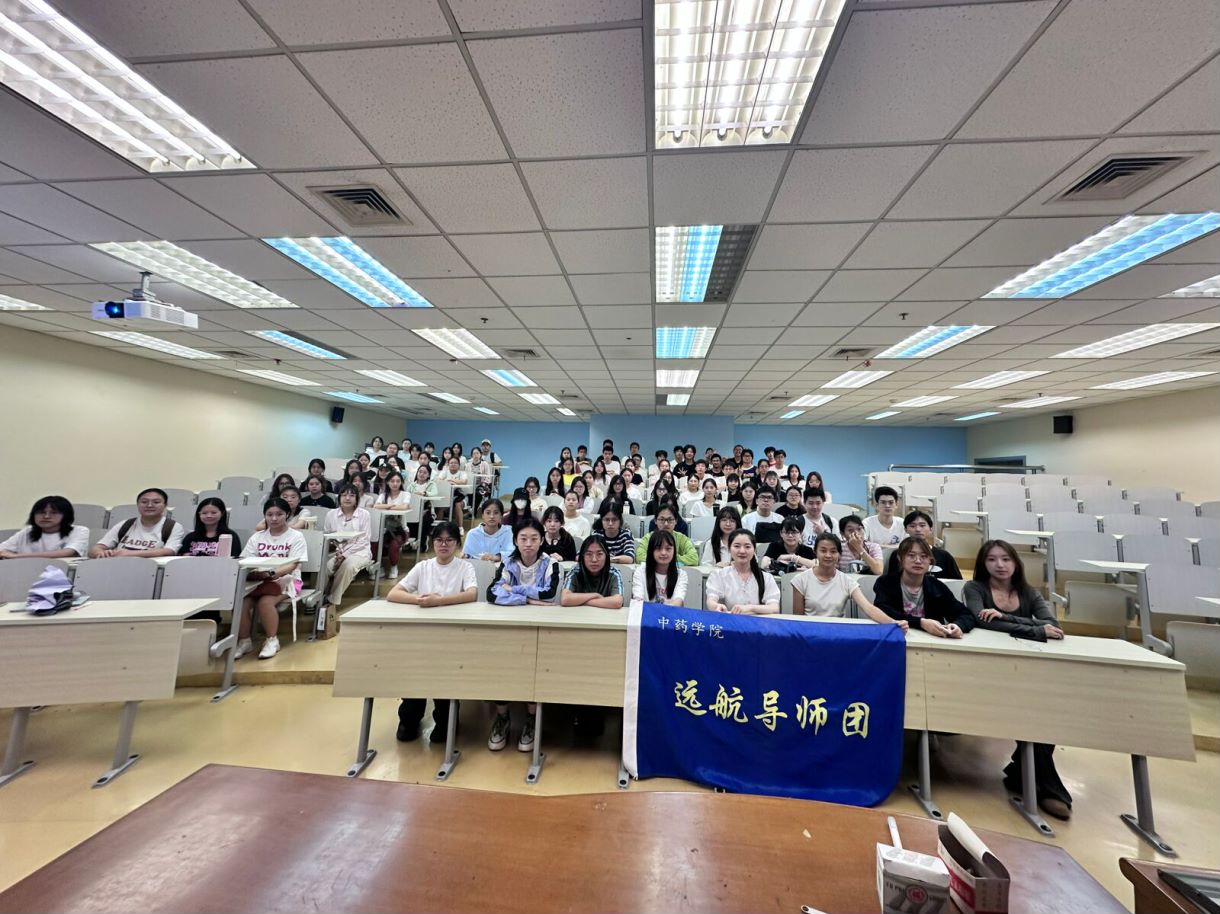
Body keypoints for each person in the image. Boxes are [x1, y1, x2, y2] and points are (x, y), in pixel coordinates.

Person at [964, 540, 1071, 820]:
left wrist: (1005, 618)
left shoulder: (1028, 592)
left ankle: (1021, 771)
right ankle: (1049, 789)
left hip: (1026, 668)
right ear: (983, 564)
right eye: (991, 559)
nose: (999, 565)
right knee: (1033, 710)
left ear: (1015, 563)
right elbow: (982, 621)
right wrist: (1036, 628)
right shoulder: (974, 589)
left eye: (1005, 559)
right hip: (988, 668)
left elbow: (1055, 627)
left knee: (1044, 709)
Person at [389, 521, 477, 743]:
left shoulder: (465, 567)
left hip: (453, 634)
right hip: (422, 633)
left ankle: (446, 720)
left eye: (449, 540)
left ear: (457, 544)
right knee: (415, 673)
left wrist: (439, 601)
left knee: (444, 676)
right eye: (439, 540)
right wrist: (419, 600)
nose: (444, 544)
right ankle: (409, 718)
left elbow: (472, 594)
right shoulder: (423, 566)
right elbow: (394, 593)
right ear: (433, 542)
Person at [487, 519, 560, 751]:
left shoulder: (550, 563)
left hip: (541, 625)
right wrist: (529, 600)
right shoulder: (508, 563)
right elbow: (492, 593)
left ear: (541, 540)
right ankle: (502, 717)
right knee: (502, 667)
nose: (528, 544)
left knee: (535, 668)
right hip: (510, 625)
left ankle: (531, 718)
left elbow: (549, 594)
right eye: (523, 539)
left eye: (534, 539)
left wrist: (514, 591)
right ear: (516, 541)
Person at [236, 497, 307, 660]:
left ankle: (272, 640)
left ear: (287, 515)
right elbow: (245, 560)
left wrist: (272, 574)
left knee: (265, 602)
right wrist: (259, 574)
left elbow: (294, 564)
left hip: (289, 581)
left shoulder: (296, 536)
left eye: (279, 514)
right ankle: (244, 641)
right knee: (241, 603)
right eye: (269, 515)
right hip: (260, 581)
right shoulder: (257, 537)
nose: (274, 518)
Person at [792, 533, 905, 627]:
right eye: (823, 550)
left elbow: (868, 608)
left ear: (839, 554)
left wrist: (893, 623)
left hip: (838, 634)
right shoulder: (801, 580)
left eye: (833, 551)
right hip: (809, 632)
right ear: (815, 552)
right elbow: (798, 619)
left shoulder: (847, 581)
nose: (828, 555)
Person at [873, 537, 973, 637]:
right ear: (900, 558)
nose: (918, 561)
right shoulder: (886, 583)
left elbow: (965, 614)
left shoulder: (936, 586)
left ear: (930, 560)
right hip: (897, 637)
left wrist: (958, 626)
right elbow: (882, 611)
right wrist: (920, 622)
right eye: (911, 555)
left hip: (931, 641)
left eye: (924, 556)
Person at [320, 484, 373, 619]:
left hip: (359, 551)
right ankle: (318, 598)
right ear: (339, 498)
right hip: (337, 551)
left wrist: (344, 555)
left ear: (357, 498)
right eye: (344, 495)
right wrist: (338, 552)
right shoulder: (331, 514)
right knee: (326, 567)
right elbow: (328, 537)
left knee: (348, 566)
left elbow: (364, 540)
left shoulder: (364, 514)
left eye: (351, 495)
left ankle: (332, 600)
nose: (347, 498)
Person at [89, 488, 184, 558]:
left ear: (165, 505)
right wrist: (101, 553)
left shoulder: (173, 527)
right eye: (144, 502)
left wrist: (129, 554)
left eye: (156, 502)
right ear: (138, 504)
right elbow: (95, 549)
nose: (149, 505)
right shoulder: (125, 524)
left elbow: (169, 551)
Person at [705, 529, 779, 614]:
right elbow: (711, 600)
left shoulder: (766, 577)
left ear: (754, 550)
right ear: (729, 548)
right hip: (730, 620)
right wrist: (717, 606)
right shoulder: (719, 575)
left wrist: (750, 608)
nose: (742, 551)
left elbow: (774, 608)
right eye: (737, 546)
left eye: (747, 547)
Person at [0, 495, 89, 558]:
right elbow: (2, 550)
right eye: (41, 512)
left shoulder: (79, 530)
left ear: (66, 515)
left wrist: (16, 556)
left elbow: (68, 552)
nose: (46, 516)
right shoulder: (27, 532)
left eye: (54, 513)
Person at [883, 511, 962, 579]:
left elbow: (957, 583)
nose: (918, 529)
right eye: (912, 526)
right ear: (906, 530)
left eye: (922, 525)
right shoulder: (898, 554)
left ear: (931, 529)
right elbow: (891, 581)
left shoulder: (944, 556)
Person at [561, 536, 624, 609]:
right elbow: (565, 599)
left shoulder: (614, 573)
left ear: (606, 556)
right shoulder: (575, 571)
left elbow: (617, 602)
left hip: (605, 615)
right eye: (589, 554)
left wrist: (582, 601)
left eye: (599, 554)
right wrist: (595, 595)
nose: (594, 560)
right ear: (582, 556)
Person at [630, 530, 688, 609]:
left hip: (669, 614)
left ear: (674, 551)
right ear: (651, 551)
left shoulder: (681, 575)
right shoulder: (640, 572)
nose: (663, 553)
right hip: (647, 614)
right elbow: (638, 599)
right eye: (658, 548)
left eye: (668, 549)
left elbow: (678, 600)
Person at [372, 472, 411, 578]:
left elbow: (404, 507)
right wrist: (392, 506)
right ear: (387, 482)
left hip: (401, 530)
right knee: (375, 543)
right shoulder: (383, 495)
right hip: (384, 529)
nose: (395, 484)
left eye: (398, 481)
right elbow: (376, 506)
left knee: (394, 544)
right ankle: (379, 567)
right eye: (392, 481)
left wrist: (385, 506)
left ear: (401, 483)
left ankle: (394, 566)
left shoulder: (405, 494)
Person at [634, 504, 699, 566]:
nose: (666, 524)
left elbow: (694, 558)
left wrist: (667, 558)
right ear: (655, 521)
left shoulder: (682, 538)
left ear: (676, 521)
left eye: (670, 520)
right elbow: (639, 557)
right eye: (662, 519)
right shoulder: (648, 538)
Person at [436, 456, 470, 528]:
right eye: (451, 463)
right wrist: (452, 482)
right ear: (448, 464)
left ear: (459, 465)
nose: (453, 464)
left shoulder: (462, 473)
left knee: (458, 505)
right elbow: (439, 481)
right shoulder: (444, 472)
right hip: (446, 495)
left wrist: (450, 480)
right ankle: (438, 528)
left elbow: (464, 481)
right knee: (441, 506)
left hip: (460, 496)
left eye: (455, 463)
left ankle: (460, 527)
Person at [468, 446, 494, 514]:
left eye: (477, 453)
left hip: (482, 484)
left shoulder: (485, 464)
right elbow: (466, 476)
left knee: (479, 492)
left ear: (480, 454)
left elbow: (488, 477)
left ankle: (473, 512)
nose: (475, 455)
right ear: (471, 455)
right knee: (469, 492)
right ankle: (471, 509)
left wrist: (484, 484)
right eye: (474, 453)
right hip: (471, 485)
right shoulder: (468, 465)